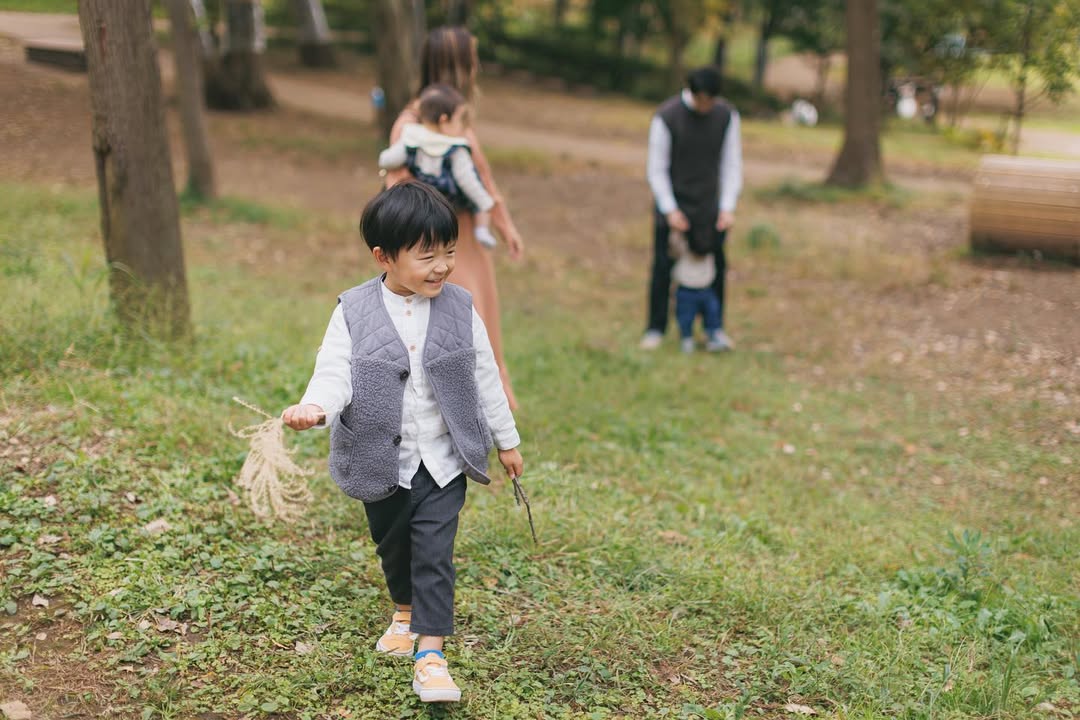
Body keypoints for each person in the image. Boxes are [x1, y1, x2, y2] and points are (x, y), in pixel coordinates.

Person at [281, 181, 524, 704]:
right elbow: (334, 373)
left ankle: (431, 655)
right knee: (393, 546)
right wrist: (316, 408)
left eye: (450, 252)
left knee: (435, 552)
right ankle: (404, 612)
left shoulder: (460, 307)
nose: (443, 266)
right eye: (427, 254)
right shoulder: (353, 310)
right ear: (383, 256)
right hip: (380, 460)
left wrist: (507, 442)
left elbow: (485, 377)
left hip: (443, 459)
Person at [384, 26, 524, 410]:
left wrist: (503, 223)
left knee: (479, 318)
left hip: (468, 238)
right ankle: (450, 407)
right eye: (472, 60)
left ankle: (487, 403)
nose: (477, 67)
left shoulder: (456, 119)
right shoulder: (412, 123)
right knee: (451, 323)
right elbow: (398, 184)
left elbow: (481, 177)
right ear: (458, 65)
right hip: (436, 239)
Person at [642, 66, 742, 352]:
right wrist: (670, 209)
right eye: (702, 100)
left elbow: (731, 165)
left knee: (716, 268)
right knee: (663, 267)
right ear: (692, 93)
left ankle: (715, 329)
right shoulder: (667, 117)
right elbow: (656, 169)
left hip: (709, 206)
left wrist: (727, 206)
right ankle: (656, 327)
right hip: (674, 203)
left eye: (711, 101)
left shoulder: (727, 116)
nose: (706, 106)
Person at [378, 83, 498, 250]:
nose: (461, 127)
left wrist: (384, 161)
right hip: (447, 200)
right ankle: (482, 230)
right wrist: (484, 201)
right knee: (480, 204)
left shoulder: (412, 137)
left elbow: (389, 159)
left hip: (421, 196)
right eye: (459, 120)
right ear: (444, 120)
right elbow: (466, 179)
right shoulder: (455, 147)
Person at [669, 230, 724, 353]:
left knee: (713, 313)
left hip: (706, 289)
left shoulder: (709, 251)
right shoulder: (684, 249)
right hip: (686, 290)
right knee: (685, 317)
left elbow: (721, 239)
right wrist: (677, 230)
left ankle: (713, 336)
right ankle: (687, 339)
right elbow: (673, 245)